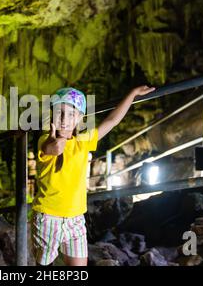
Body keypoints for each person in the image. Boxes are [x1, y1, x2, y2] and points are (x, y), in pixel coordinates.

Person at [31, 85, 155, 266]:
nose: (64, 120)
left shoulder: (83, 142)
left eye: (71, 114)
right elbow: (51, 148)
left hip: (76, 219)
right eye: (60, 113)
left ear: (80, 118)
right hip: (48, 218)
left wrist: (132, 93)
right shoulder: (45, 139)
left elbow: (112, 121)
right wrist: (54, 146)